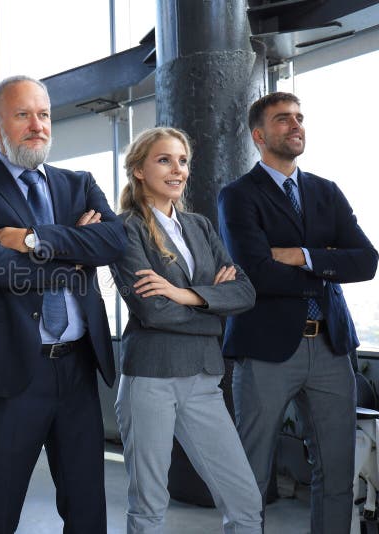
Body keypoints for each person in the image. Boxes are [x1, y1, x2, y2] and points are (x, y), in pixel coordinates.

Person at [0, 75, 128, 533]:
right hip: (8, 373)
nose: (37, 125)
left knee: (87, 513)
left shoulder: (77, 184)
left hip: (77, 369)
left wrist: (33, 239)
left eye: (43, 115)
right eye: (22, 114)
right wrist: (75, 253)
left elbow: (116, 241)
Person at [218, 92, 378, 533]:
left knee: (337, 474)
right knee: (249, 473)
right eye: (283, 119)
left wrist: (301, 255)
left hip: (330, 346)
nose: (295, 125)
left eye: (299, 118)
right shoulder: (238, 196)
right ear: (259, 135)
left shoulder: (326, 192)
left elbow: (366, 262)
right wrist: (326, 262)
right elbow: (258, 274)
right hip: (267, 349)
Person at [111, 127, 262, 533]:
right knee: (149, 506)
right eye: (164, 160)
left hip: (203, 380)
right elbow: (152, 311)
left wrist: (185, 295)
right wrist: (213, 306)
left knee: (245, 500)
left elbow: (245, 292)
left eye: (182, 161)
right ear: (139, 170)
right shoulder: (125, 228)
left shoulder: (200, 226)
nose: (177, 169)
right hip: (151, 378)